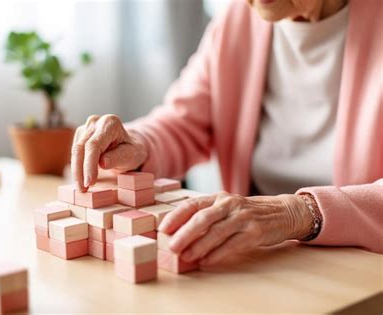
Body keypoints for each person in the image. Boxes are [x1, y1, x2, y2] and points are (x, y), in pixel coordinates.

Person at [71, 0, 383, 266]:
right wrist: (137, 143)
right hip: (266, 261)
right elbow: (182, 122)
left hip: (362, 270)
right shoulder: (239, 19)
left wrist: (298, 213)